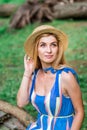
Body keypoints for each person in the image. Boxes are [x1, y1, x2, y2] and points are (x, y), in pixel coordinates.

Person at [17, 25, 84, 130]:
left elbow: (79, 112)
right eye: (43, 45)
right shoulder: (35, 74)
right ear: (36, 49)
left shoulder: (65, 76)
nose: (49, 50)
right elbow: (21, 102)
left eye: (53, 45)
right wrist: (27, 73)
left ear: (58, 49)